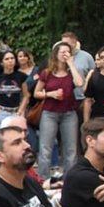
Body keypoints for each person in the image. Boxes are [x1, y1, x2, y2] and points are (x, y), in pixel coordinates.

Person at [34, 40, 85, 178]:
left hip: (69, 113)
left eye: (68, 52)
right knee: (46, 148)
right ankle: (43, 178)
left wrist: (71, 64)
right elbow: (36, 93)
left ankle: (70, 179)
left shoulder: (71, 72)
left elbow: (80, 83)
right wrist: (50, 94)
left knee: (71, 149)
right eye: (62, 52)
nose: (65, 54)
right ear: (56, 54)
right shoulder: (47, 73)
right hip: (49, 113)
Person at [0, 49, 29, 134]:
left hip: (15, 112)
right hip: (0, 112)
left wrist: (21, 109)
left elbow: (26, 95)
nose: (10, 61)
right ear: (1, 62)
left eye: (12, 58)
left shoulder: (21, 76)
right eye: (7, 59)